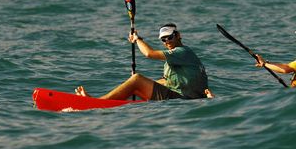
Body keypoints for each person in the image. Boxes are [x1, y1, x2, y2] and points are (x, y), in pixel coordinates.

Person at [75, 23, 213, 100]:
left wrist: (137, 39)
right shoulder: (179, 58)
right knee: (134, 83)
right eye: (163, 40)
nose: (167, 42)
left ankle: (98, 103)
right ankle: (111, 100)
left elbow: (149, 53)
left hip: (182, 100)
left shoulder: (182, 52)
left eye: (169, 38)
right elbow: (167, 81)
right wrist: (136, 85)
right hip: (183, 99)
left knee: (137, 79)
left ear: (178, 35)